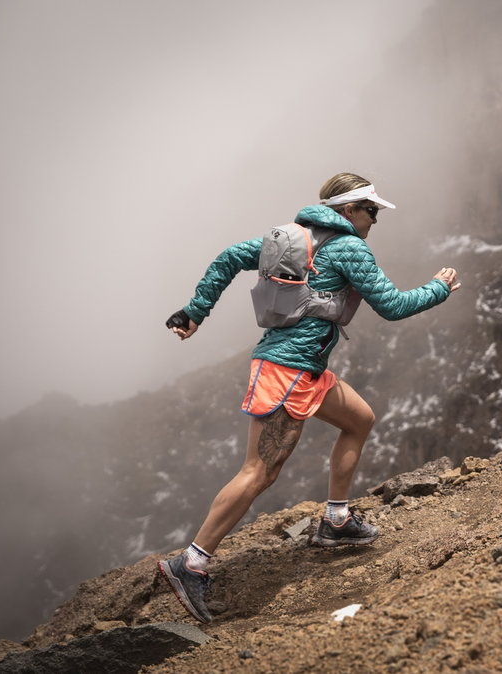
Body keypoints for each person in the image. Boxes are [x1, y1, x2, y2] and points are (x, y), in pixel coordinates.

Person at [157, 172, 461, 624]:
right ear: (348, 211)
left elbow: (227, 258)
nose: (375, 220)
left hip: (302, 369)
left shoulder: (292, 238)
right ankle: (192, 564)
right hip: (288, 373)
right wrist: (439, 287)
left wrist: (196, 310)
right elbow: (393, 306)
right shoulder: (348, 247)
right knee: (259, 471)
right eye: (371, 211)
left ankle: (336, 521)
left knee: (359, 419)